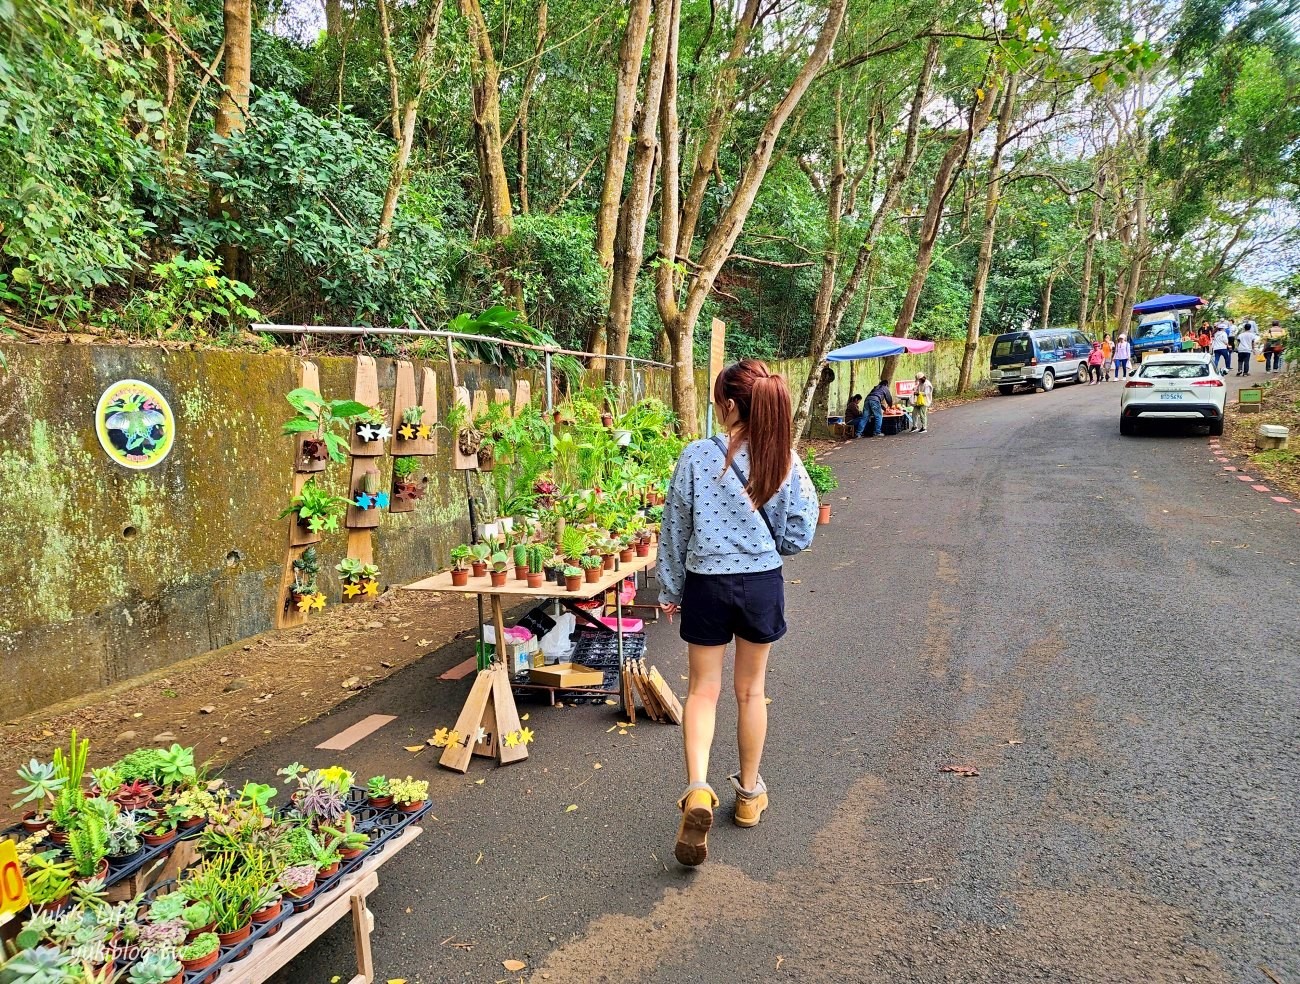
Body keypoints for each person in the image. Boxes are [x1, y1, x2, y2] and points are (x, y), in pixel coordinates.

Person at [656, 360, 817, 867]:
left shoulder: (697, 457)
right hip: (761, 584)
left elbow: (675, 528)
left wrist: (671, 587)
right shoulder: (784, 458)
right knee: (751, 691)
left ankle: (699, 790)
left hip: (707, 584)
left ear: (728, 405)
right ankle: (748, 796)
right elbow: (799, 531)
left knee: (702, 690)